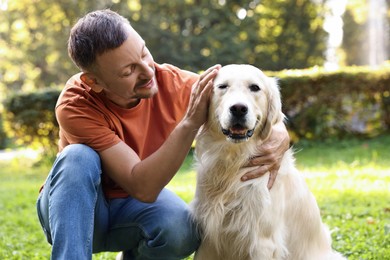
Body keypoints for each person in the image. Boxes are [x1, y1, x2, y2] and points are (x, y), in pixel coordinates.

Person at [36, 9, 290, 260]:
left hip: (130, 209)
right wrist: (189, 123)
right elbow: (143, 187)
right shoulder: (76, 104)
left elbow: (238, 99)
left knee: (182, 230)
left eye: (144, 53)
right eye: (128, 71)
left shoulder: (173, 83)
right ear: (95, 82)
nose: (148, 72)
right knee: (78, 157)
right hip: (76, 214)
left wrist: (280, 135)